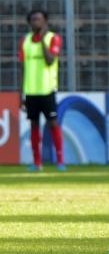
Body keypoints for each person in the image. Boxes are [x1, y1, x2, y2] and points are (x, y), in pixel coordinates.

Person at [18, 10, 66, 171]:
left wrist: (42, 41)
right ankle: (37, 163)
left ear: (45, 21)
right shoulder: (25, 41)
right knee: (33, 125)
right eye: (33, 20)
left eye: (38, 19)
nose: (35, 22)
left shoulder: (53, 38)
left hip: (47, 89)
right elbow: (23, 68)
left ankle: (60, 161)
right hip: (31, 91)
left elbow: (50, 60)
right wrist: (21, 93)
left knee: (53, 123)